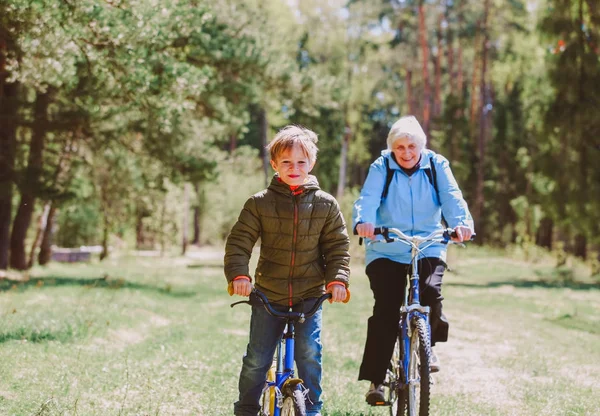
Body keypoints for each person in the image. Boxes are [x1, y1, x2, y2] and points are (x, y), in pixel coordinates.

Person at [225, 125, 351, 416]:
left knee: (310, 354)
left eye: (301, 162)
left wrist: (337, 279)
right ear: (274, 164)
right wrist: (239, 275)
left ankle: (312, 409)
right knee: (257, 358)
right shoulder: (259, 203)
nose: (294, 168)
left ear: (312, 163)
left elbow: (338, 247)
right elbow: (239, 242)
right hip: (269, 294)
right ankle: (246, 409)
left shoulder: (325, 204)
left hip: (309, 294)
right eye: (286, 162)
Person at [353, 115, 474, 405]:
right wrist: (364, 222)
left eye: (411, 147)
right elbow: (367, 198)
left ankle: (426, 348)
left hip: (428, 243)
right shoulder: (382, 166)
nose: (406, 153)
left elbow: (452, 197)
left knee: (431, 293)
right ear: (391, 148)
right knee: (386, 308)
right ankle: (377, 381)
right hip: (387, 245)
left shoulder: (436, 165)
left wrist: (462, 224)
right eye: (399, 147)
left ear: (421, 146)